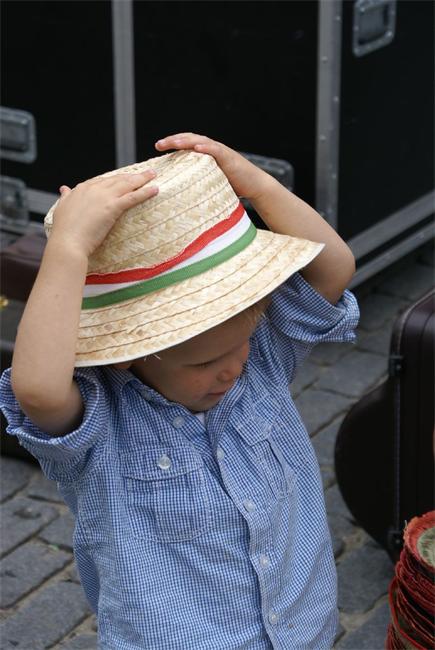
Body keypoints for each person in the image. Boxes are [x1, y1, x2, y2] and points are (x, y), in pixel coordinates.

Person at [0, 133, 359, 649]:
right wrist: (69, 249)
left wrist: (256, 186)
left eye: (242, 343)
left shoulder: (261, 359)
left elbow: (333, 267)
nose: (233, 369)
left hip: (303, 628)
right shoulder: (102, 425)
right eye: (205, 362)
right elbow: (37, 391)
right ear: (128, 352)